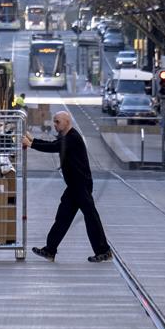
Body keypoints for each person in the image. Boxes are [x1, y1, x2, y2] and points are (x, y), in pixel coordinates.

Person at [22, 111, 112, 263]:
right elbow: (54, 145)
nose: (54, 125)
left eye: (57, 122)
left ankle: (104, 250)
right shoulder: (66, 138)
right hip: (74, 186)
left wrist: (31, 144)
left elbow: (54, 147)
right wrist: (33, 140)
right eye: (54, 121)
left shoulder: (73, 138)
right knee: (63, 216)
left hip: (81, 185)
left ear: (66, 122)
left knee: (91, 217)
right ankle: (50, 250)